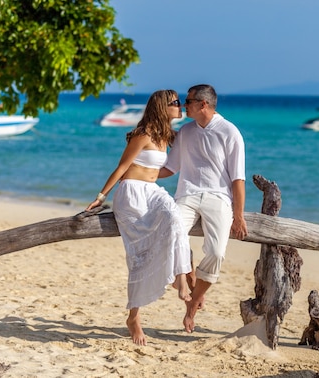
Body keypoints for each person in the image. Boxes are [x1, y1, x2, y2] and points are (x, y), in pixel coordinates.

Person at [85, 89, 192, 345]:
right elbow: (122, 167)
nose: (180, 106)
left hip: (153, 191)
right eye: (176, 103)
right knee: (140, 256)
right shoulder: (143, 134)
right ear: (162, 107)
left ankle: (180, 277)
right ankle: (134, 317)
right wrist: (101, 196)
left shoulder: (168, 135)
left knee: (174, 218)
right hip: (132, 193)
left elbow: (163, 166)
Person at [159, 84, 248, 333]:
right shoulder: (186, 131)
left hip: (218, 198)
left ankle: (193, 303)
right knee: (172, 233)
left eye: (187, 101)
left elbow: (237, 179)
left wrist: (238, 216)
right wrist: (139, 174)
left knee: (217, 252)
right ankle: (191, 280)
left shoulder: (230, 132)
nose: (183, 105)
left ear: (203, 105)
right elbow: (170, 168)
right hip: (186, 195)